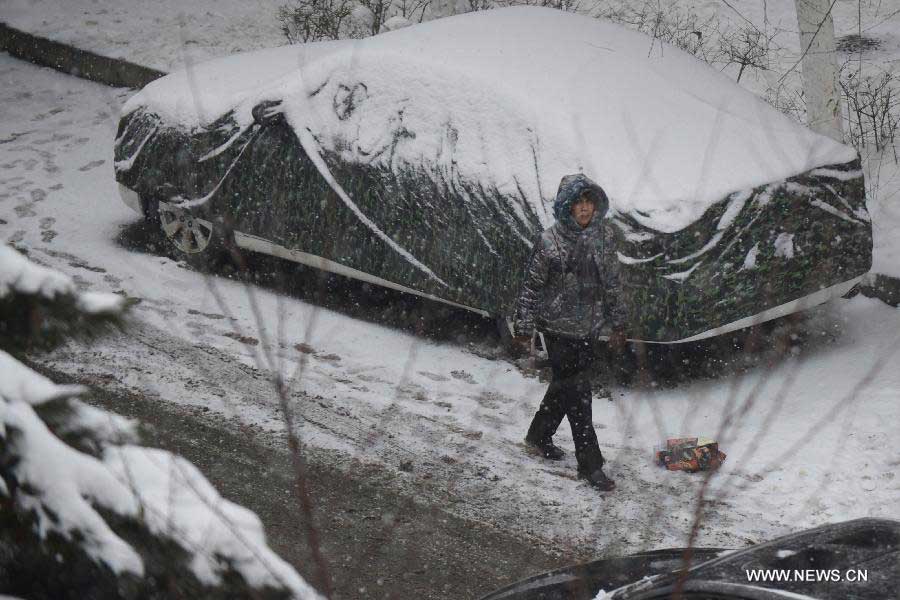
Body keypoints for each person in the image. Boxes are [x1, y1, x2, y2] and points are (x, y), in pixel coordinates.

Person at [513, 173, 627, 493]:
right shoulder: (549, 242)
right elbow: (531, 288)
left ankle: (538, 435)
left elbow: (613, 284)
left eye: (589, 202)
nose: (585, 209)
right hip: (558, 329)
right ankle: (591, 465)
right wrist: (523, 328)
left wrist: (619, 323)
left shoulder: (603, 238)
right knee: (579, 394)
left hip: (589, 328)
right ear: (567, 206)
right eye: (578, 203)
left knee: (565, 388)